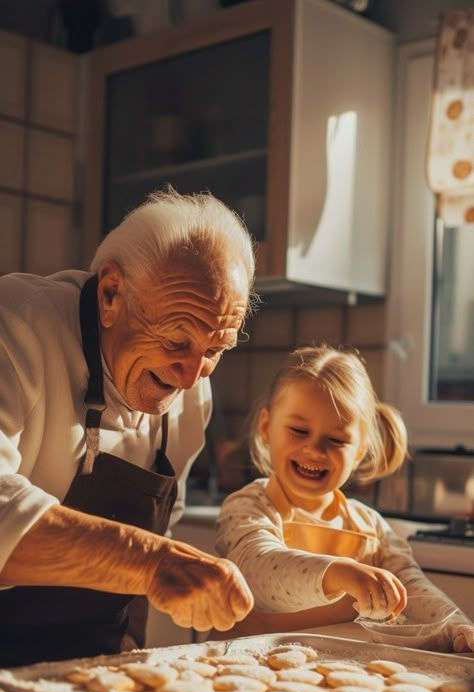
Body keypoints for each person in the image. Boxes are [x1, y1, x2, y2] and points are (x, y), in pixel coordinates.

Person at [0, 188, 256, 667]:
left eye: (216, 350)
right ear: (111, 293)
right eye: (178, 338)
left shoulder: (191, 392)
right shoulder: (15, 327)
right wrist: (153, 561)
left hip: (95, 673)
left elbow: (164, 524)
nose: (191, 374)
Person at [216, 345, 474, 652]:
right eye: (299, 430)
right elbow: (256, 570)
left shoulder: (371, 528)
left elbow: (411, 588)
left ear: (360, 450)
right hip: (240, 668)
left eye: (336, 440)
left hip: (324, 679)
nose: (314, 450)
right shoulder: (249, 507)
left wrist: (457, 625)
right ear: (266, 427)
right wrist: (336, 573)